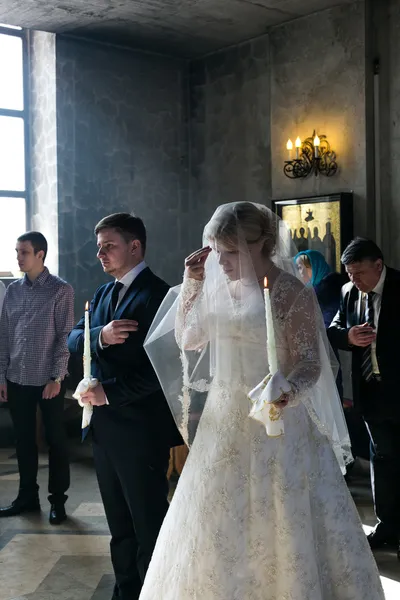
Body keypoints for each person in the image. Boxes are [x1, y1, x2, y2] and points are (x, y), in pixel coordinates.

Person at [140, 202, 384, 600]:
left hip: (279, 421)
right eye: (217, 250)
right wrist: (192, 284)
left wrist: (287, 388)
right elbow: (188, 338)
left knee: (282, 517)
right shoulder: (218, 286)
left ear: (262, 245)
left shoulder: (292, 293)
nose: (220, 260)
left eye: (231, 251)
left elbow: (310, 363)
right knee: (216, 517)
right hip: (225, 419)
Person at [68, 213, 182, 600]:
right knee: (118, 524)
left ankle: (155, 592)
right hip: (103, 428)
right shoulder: (102, 294)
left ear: (135, 246)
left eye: (108, 245)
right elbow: (72, 338)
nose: (100, 253)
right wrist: (100, 335)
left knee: (148, 522)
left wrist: (110, 392)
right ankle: (125, 592)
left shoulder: (159, 296)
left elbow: (163, 371)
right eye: (98, 245)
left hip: (140, 428)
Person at [329, 238, 400, 556]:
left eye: (358, 273)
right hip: (370, 392)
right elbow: (334, 328)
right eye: (348, 274)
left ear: (378, 266)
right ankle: (387, 527)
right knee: (381, 461)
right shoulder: (348, 293)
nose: (353, 280)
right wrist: (348, 336)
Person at [0, 232, 74, 524]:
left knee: (56, 441)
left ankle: (58, 501)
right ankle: (26, 498)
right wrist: (2, 377)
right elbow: (4, 336)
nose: (18, 257)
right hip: (17, 377)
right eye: (17, 252)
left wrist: (56, 377)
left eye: (24, 253)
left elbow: (64, 337)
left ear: (40, 255)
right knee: (24, 441)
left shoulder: (61, 290)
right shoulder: (13, 291)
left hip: (49, 380)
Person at [295, 249, 345, 397]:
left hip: (325, 352)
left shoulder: (328, 292)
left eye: (300, 267)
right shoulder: (310, 292)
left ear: (314, 267)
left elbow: (326, 325)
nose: (298, 273)